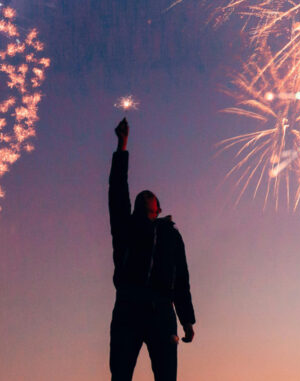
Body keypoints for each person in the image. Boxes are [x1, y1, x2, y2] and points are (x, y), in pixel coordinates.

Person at [108, 117, 196, 381]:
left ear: (158, 208)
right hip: (128, 306)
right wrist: (122, 145)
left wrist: (187, 319)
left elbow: (181, 279)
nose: (145, 197)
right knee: (121, 374)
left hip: (162, 310)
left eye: (150, 201)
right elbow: (117, 191)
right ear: (135, 208)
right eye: (140, 201)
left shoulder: (171, 235)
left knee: (166, 376)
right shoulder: (126, 228)